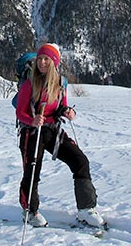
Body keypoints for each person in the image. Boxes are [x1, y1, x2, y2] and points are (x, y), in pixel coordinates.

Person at [15, 43, 105, 229]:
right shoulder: (30, 83)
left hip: (52, 130)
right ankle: (30, 211)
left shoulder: (60, 83)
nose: (41, 62)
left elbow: (61, 105)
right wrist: (32, 121)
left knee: (80, 160)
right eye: (40, 59)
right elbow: (20, 112)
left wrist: (67, 111)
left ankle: (86, 208)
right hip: (32, 132)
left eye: (46, 59)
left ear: (54, 62)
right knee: (32, 171)